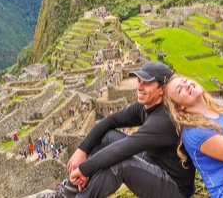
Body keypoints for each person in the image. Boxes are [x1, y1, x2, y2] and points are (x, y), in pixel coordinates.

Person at [37, 61, 196, 198]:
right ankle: (69, 191)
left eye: (146, 83)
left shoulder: (164, 119)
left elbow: (123, 149)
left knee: (121, 163)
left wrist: (84, 169)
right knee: (107, 136)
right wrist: (82, 150)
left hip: (175, 189)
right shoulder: (145, 107)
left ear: (162, 89)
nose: (139, 87)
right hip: (153, 163)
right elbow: (109, 121)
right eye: (138, 80)